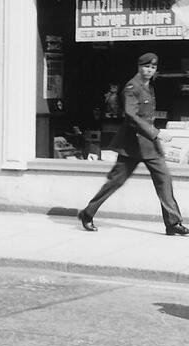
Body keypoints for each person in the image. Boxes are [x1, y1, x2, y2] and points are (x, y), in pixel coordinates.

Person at [78, 52, 189, 236]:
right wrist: (156, 133)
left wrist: (154, 136)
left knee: (164, 180)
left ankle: (173, 223)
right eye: (146, 66)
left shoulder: (148, 86)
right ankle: (87, 213)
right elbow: (131, 115)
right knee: (116, 181)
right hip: (131, 145)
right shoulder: (132, 87)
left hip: (150, 146)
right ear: (139, 67)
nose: (149, 70)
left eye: (153, 67)